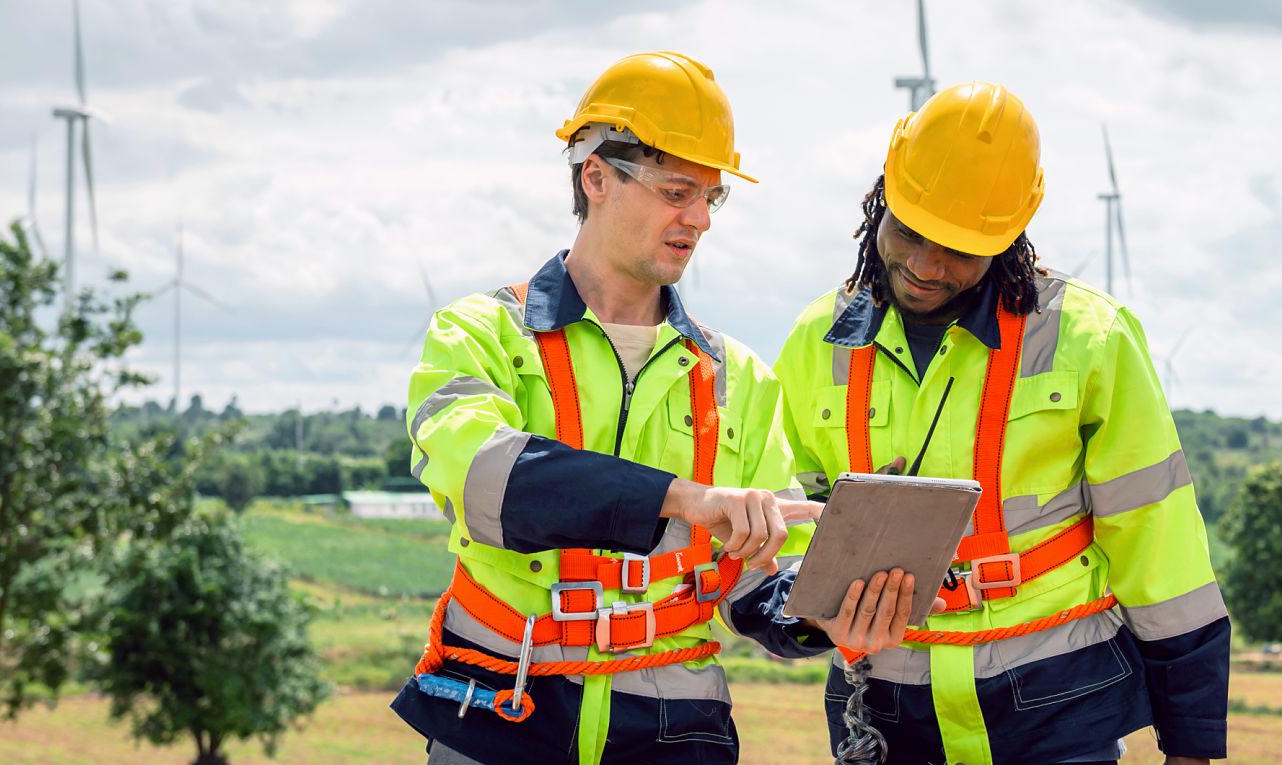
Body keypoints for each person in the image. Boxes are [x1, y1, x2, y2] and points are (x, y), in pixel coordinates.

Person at [766, 81, 1231, 764]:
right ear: (881, 198)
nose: (925, 265)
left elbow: (1163, 555)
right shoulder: (815, 341)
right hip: (885, 706)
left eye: (957, 247)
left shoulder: (1089, 338)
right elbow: (779, 528)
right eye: (910, 230)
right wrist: (802, 615)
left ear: (1010, 232)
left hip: (1055, 701)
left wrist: (1191, 745)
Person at [389, 50, 821, 765]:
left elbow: (762, 579)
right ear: (596, 177)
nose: (700, 219)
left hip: (674, 727)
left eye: (711, 198)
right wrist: (683, 499)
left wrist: (829, 615)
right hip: (503, 708)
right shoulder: (479, 336)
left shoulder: (739, 377)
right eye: (678, 191)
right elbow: (487, 480)